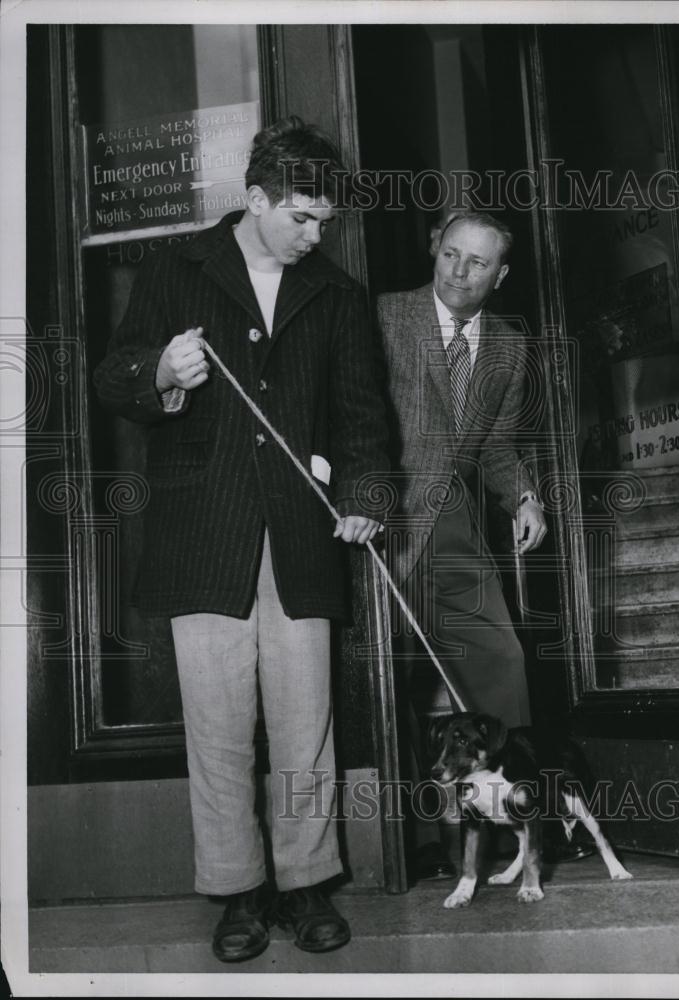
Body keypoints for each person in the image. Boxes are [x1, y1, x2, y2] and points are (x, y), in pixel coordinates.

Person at [94, 117, 388, 961]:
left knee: (306, 723)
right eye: (299, 216)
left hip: (301, 534)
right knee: (218, 726)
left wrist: (366, 495)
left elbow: (364, 418)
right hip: (203, 531)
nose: (314, 233)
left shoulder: (337, 295)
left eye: (324, 220)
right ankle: (236, 893)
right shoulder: (173, 268)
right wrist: (159, 372)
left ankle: (305, 886)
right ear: (254, 199)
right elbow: (115, 376)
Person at [376, 210, 549, 880]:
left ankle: (509, 820)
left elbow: (497, 446)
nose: (457, 271)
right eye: (449, 254)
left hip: (455, 530)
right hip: (385, 523)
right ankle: (412, 840)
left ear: (499, 275)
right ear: (434, 250)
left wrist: (523, 497)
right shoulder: (384, 315)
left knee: (500, 664)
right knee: (383, 679)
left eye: (476, 263)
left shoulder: (507, 344)